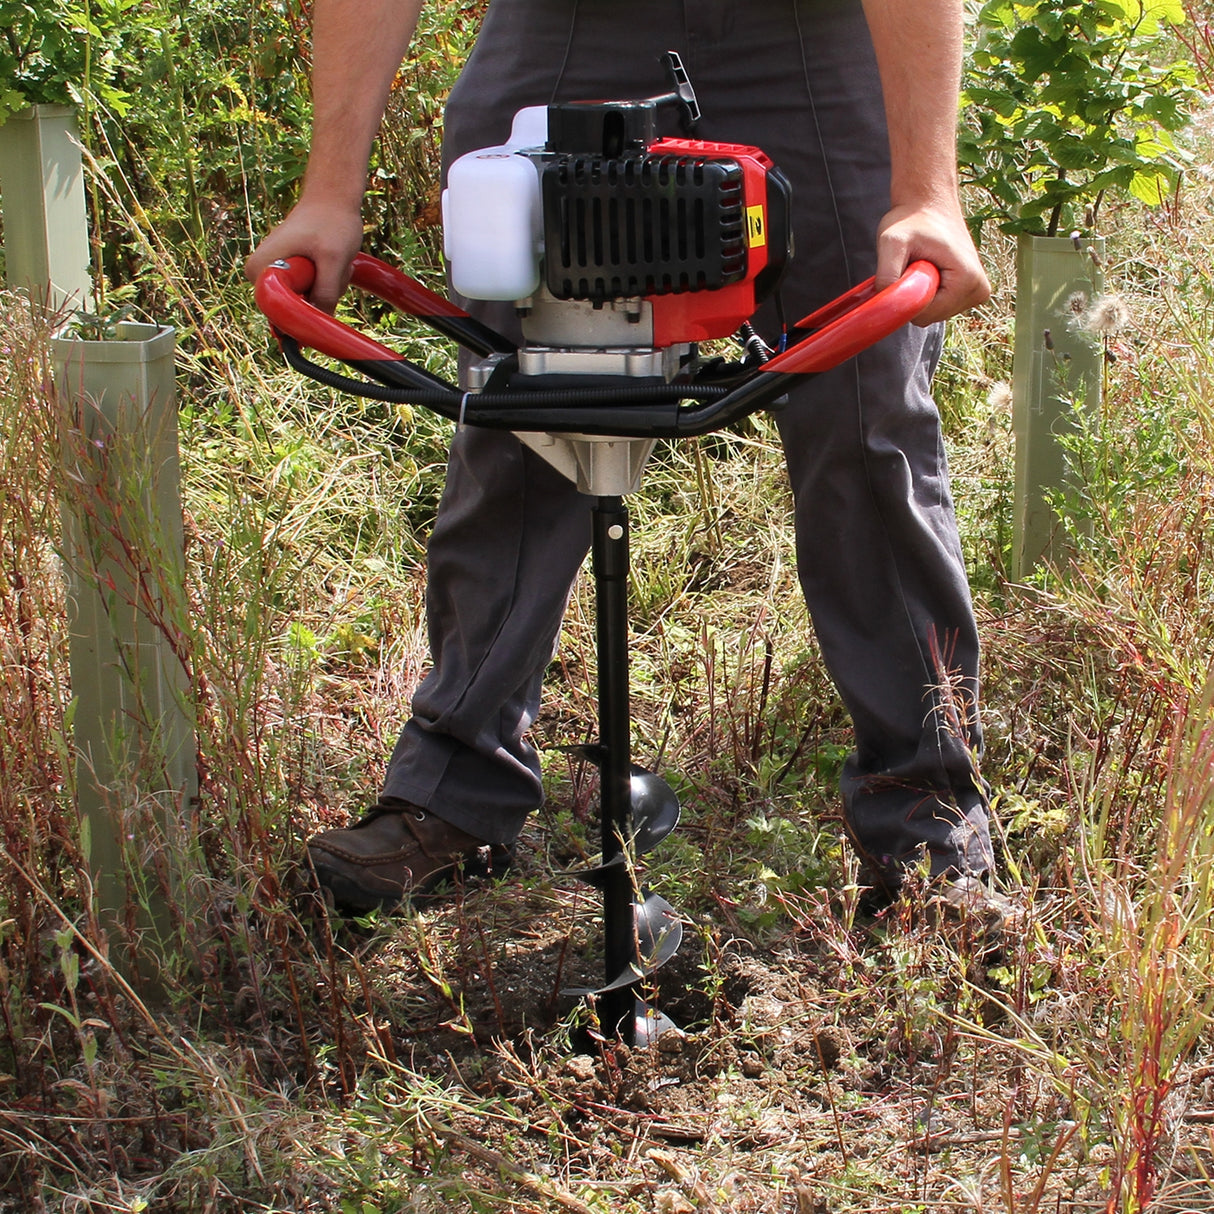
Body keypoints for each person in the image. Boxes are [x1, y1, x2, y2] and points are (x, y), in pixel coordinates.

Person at [245, 0, 998, 917]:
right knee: (523, 416)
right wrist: (329, 191)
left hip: (811, 38)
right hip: (566, 31)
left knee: (866, 422)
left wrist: (927, 190)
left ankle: (929, 820)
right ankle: (452, 791)